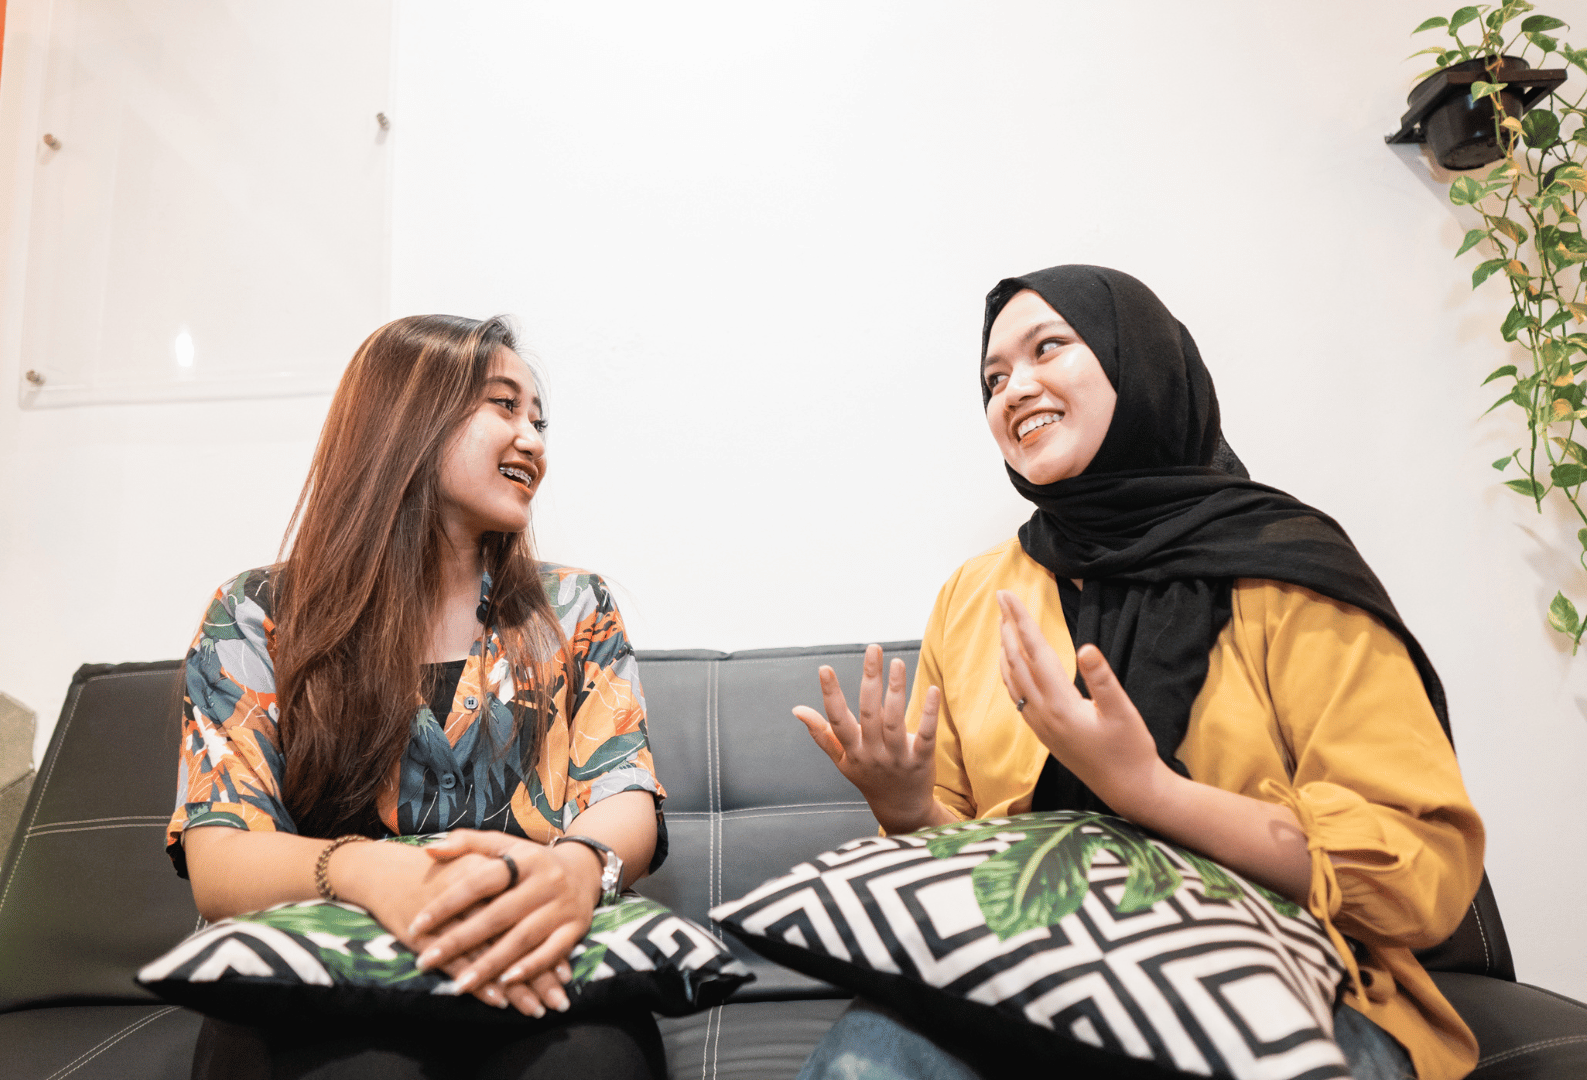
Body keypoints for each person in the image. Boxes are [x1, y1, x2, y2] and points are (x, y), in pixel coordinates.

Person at [791, 266, 1483, 1080]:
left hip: (1285, 978)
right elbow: (972, 890)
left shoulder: (1287, 569)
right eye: (992, 378)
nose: (1015, 389)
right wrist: (909, 813)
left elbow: (1421, 876)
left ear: (1140, 360)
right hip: (1027, 978)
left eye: (1049, 346)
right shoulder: (977, 596)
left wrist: (1147, 792)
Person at [166, 314, 668, 1079]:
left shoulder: (573, 608)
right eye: (504, 406)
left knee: (587, 1063)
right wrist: (368, 873)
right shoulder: (256, 615)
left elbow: (625, 791)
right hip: (320, 968)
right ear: (406, 419)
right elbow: (220, 857)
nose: (532, 439)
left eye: (538, 419)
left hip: (533, 953)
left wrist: (575, 868)